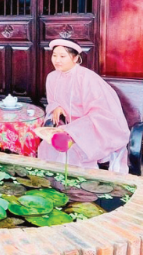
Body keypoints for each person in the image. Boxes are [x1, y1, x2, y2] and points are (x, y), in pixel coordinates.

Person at [36, 39, 131, 173]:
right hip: (67, 126)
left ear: (75, 58)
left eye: (62, 56)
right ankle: (52, 180)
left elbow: (101, 111)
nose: (57, 60)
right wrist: (56, 106)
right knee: (47, 146)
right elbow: (52, 101)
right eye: (54, 55)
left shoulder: (87, 78)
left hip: (91, 127)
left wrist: (75, 130)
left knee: (73, 149)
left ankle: (79, 183)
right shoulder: (52, 77)